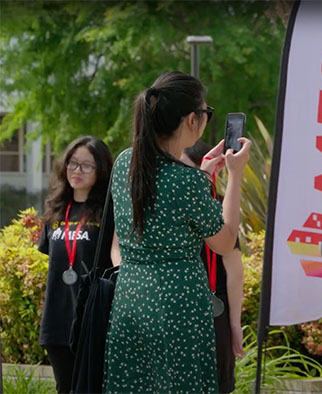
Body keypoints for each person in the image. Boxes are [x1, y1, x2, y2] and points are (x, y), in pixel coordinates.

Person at [103, 71, 250, 393]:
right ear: (191, 120)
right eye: (206, 114)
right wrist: (235, 176)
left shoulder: (125, 163)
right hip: (178, 303)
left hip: (131, 298)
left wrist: (203, 175)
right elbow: (225, 243)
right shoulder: (186, 182)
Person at [38, 136, 113, 393]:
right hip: (57, 321)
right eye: (72, 163)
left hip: (92, 320)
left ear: (101, 171)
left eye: (86, 166)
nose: (76, 171)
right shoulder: (56, 210)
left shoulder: (108, 212)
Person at [181, 140, 245, 393]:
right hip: (176, 309)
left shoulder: (220, 207)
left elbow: (234, 270)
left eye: (187, 169)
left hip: (213, 313)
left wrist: (234, 325)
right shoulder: (168, 206)